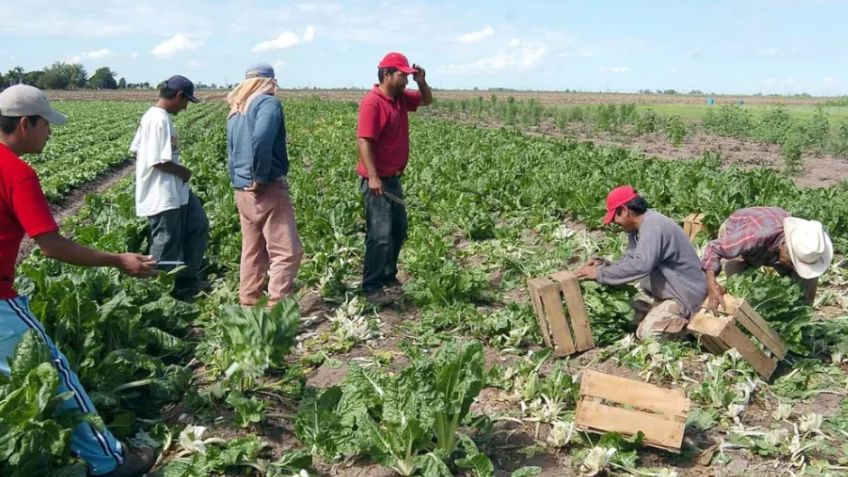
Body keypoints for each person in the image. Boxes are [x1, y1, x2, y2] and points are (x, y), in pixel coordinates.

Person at [0, 85, 157, 476]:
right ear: (25, 124)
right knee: (50, 372)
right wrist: (118, 259)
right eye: (46, 125)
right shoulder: (17, 173)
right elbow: (50, 246)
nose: (50, 132)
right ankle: (111, 462)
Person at [576, 186, 707, 340]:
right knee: (629, 314)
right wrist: (603, 264)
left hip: (684, 296)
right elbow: (629, 262)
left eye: (615, 217)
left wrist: (600, 274)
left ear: (625, 210)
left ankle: (689, 326)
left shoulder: (653, 226)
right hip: (665, 294)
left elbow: (641, 266)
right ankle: (661, 313)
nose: (614, 222)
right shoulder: (636, 230)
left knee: (647, 334)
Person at [356, 52, 432, 305]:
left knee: (398, 230)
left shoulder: (399, 98)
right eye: (403, 76)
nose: (406, 81)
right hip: (377, 181)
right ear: (387, 75)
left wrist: (421, 80)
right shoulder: (373, 103)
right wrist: (374, 178)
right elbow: (364, 140)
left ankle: (388, 274)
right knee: (379, 235)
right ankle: (371, 286)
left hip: (394, 179)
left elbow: (427, 100)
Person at [226, 63, 303, 307]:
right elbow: (262, 138)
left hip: (242, 190)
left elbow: (231, 151)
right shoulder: (267, 104)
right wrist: (259, 178)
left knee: (253, 251)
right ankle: (276, 310)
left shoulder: (237, 108)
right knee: (286, 252)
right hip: (264, 188)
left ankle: (249, 306)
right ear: (269, 81)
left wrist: (241, 180)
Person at [130, 75, 209, 301]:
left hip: (174, 191)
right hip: (161, 192)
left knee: (197, 224)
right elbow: (157, 160)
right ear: (178, 96)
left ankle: (186, 279)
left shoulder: (157, 117)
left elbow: (137, 149)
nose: (186, 107)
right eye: (186, 101)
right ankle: (156, 295)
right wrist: (183, 172)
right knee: (166, 243)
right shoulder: (158, 119)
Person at [701, 206, 832, 311]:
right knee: (737, 275)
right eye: (793, 262)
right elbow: (713, 248)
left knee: (808, 278)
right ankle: (742, 315)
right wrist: (711, 285)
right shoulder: (754, 237)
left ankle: (802, 313)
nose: (794, 267)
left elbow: (802, 268)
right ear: (782, 247)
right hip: (738, 228)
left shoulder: (811, 243)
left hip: (770, 226)